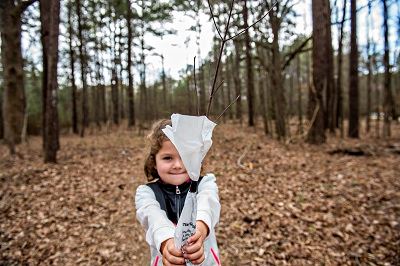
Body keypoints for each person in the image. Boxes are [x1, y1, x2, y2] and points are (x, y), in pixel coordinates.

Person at [135, 119, 221, 266]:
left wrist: (199, 230)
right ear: (154, 162)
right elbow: (153, 217)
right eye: (168, 158)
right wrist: (167, 242)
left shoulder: (205, 184)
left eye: (186, 156)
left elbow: (208, 205)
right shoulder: (146, 193)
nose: (178, 165)